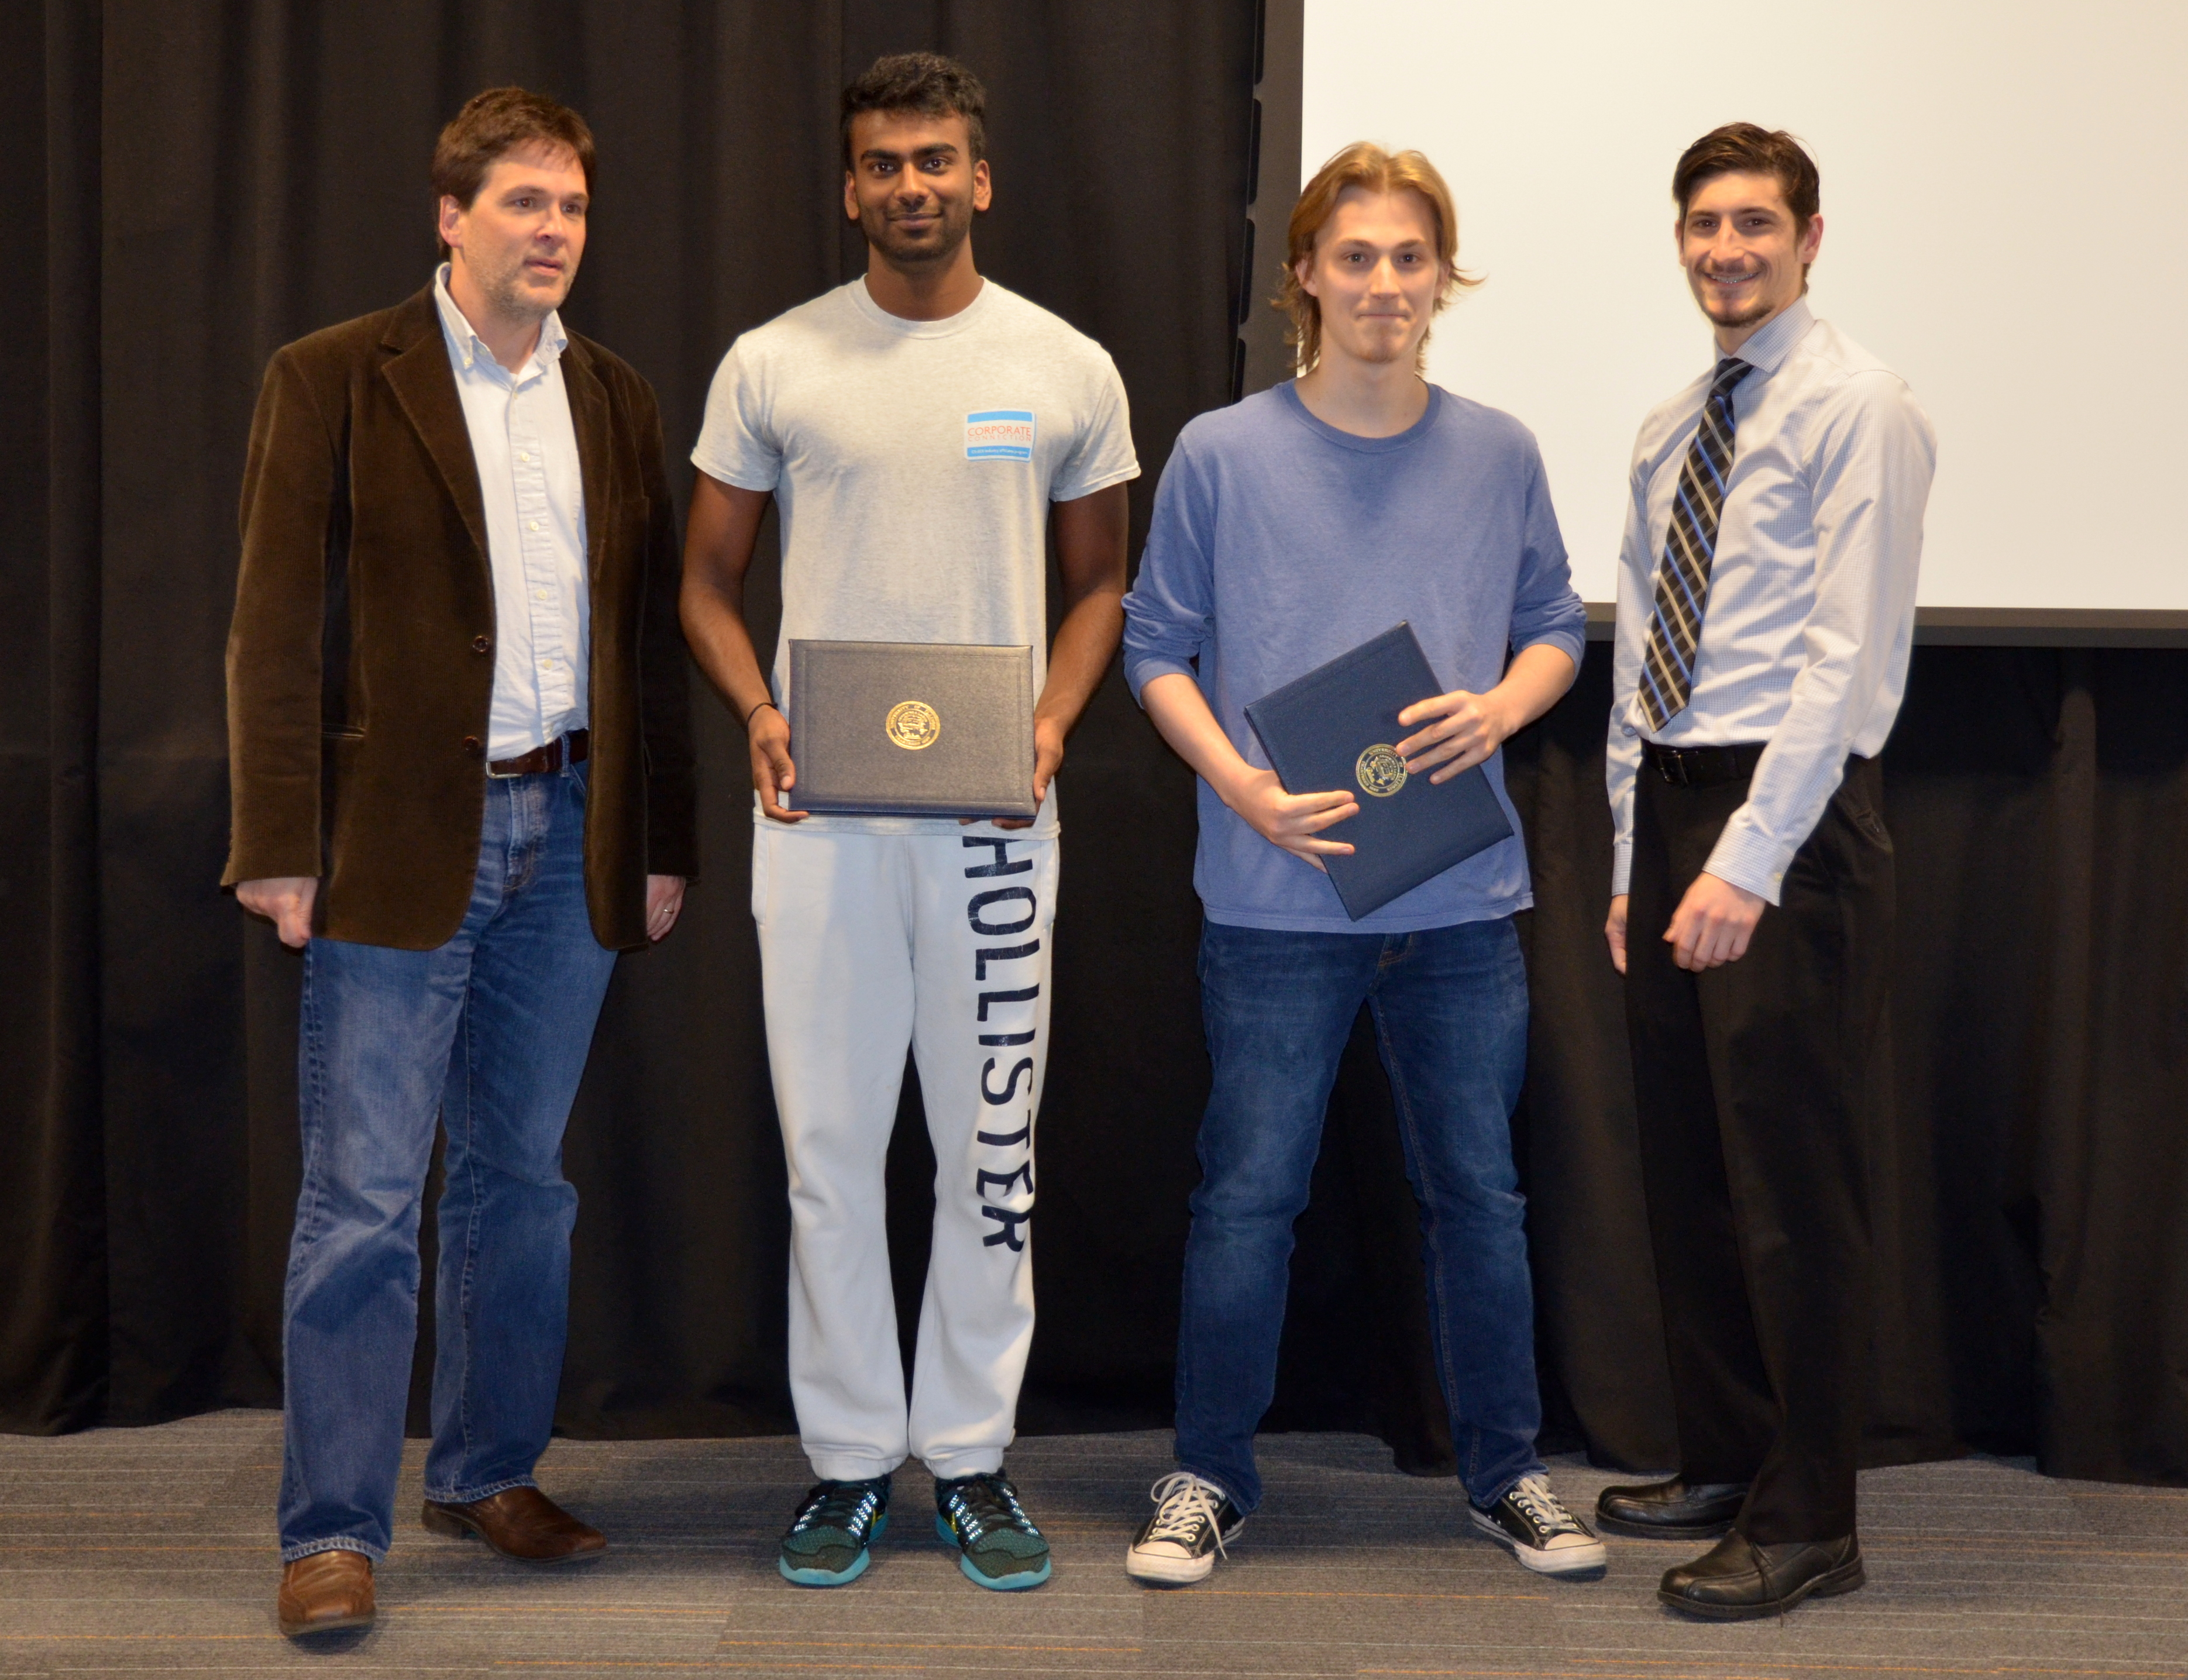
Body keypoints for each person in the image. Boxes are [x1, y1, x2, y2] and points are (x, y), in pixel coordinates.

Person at [223, 87, 696, 1638]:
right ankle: (332, 1530)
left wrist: (659, 844)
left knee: (521, 1185)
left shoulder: (615, 396)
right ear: (450, 216)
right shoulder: (332, 378)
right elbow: (273, 629)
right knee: (360, 1198)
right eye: (522, 205)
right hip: (392, 845)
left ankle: (486, 1471)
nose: (553, 231)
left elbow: (643, 640)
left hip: (570, 835)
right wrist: (280, 845)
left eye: (570, 207)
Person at [679, 53, 1136, 1592]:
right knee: (828, 1148)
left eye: (935, 160)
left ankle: (970, 1458)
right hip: (819, 823)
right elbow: (702, 582)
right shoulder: (774, 361)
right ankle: (849, 1465)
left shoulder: (1066, 366)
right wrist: (755, 709)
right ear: (850, 184)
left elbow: (1099, 590)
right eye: (881, 164)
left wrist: (1057, 725)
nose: (910, 186)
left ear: (981, 177)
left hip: (998, 825)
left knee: (984, 1149)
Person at [1118, 142, 1601, 1587]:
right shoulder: (1220, 450)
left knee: (1481, 1197)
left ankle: (1507, 1473)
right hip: (1273, 900)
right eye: (1356, 257)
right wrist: (1241, 786)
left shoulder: (1501, 449)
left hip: (1460, 903)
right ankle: (1208, 1472)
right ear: (1306, 277)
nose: (1383, 283)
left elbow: (1555, 625)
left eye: (1408, 257)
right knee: (1245, 1197)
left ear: (1439, 278)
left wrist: (1504, 704)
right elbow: (1155, 648)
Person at [1596, 122, 1935, 1619]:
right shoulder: (1675, 419)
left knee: (1792, 1184)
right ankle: (1731, 1455)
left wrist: (1745, 859)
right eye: (1701, 224)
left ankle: (1813, 1519)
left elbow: (1848, 659)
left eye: (1753, 224)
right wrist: (1629, 855)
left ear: (1808, 238)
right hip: (1674, 806)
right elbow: (1635, 650)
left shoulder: (1857, 403)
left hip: (1780, 820)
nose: (1724, 249)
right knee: (1694, 1171)